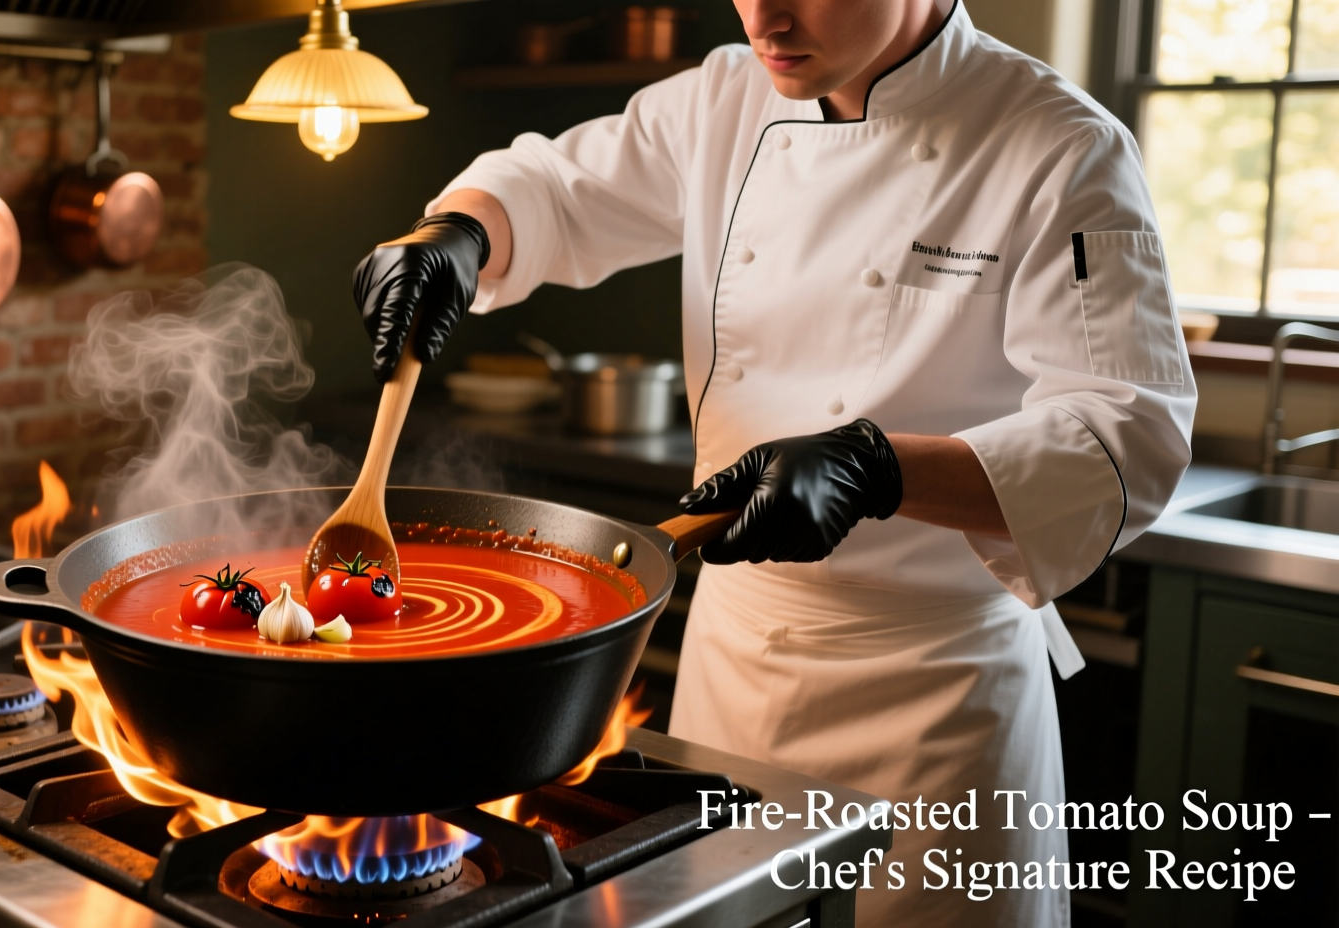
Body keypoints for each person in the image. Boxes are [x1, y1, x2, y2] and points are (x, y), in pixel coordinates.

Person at [351, 0, 1195, 924]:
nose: (767, 16)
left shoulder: (1059, 144)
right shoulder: (724, 97)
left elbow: (1126, 435)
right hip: (734, 677)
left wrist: (880, 469)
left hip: (934, 703)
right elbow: (554, 188)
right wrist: (464, 234)